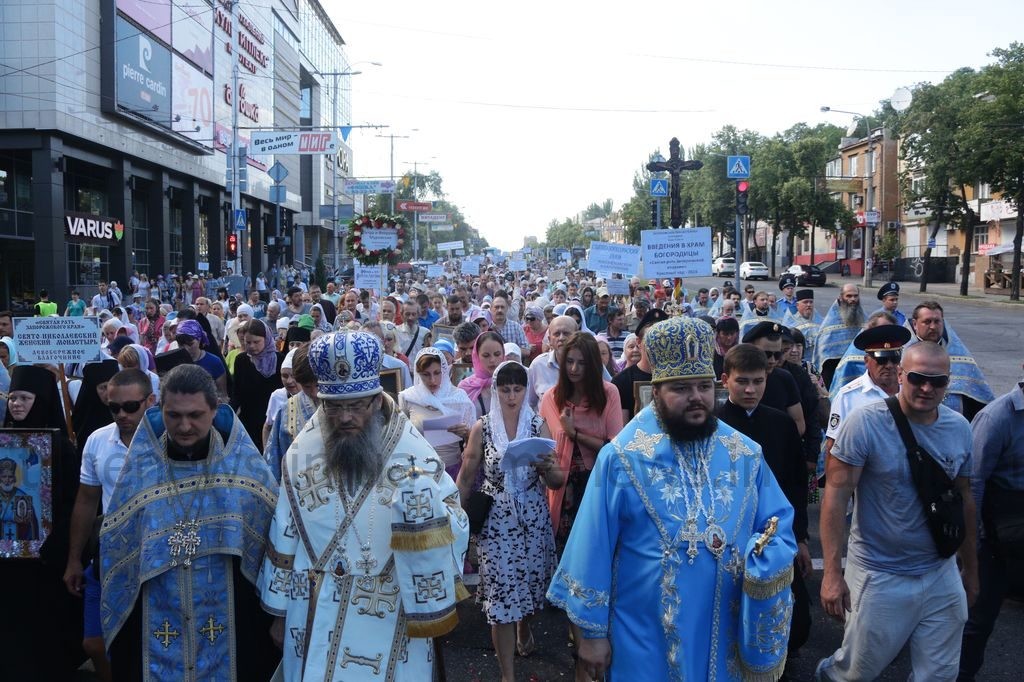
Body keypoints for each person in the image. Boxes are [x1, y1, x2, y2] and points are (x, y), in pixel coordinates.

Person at [548, 316, 797, 681]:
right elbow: (591, 548)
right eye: (681, 388)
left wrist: (766, 558)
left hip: (725, 627)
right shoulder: (621, 458)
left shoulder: (743, 453)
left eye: (703, 386)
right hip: (646, 633)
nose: (697, 397)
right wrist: (592, 636)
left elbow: (776, 522)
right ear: (657, 391)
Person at [258, 331, 469, 680]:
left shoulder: (414, 455)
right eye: (334, 407)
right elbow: (286, 531)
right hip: (316, 605)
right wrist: (279, 613)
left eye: (355, 406)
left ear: (375, 400)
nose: (344, 418)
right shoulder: (301, 455)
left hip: (390, 604)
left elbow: (456, 520)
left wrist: (423, 516)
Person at [99, 365, 279, 680]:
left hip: (232, 615)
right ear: (160, 410)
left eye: (195, 415)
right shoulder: (143, 468)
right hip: (157, 609)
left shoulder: (244, 468)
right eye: (174, 415)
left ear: (215, 410)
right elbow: (118, 546)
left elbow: (270, 541)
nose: (184, 426)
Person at [817, 342, 977, 681]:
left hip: (940, 572)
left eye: (938, 381)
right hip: (880, 573)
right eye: (918, 378)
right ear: (902, 375)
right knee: (856, 672)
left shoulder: (960, 428)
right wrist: (832, 573)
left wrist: (971, 570)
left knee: (940, 674)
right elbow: (836, 494)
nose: (927, 388)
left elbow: (964, 497)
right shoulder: (864, 423)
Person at [457, 361, 563, 682]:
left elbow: (557, 480)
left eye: (518, 389)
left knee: (530, 586)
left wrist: (547, 467)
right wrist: (458, 521)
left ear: (526, 389)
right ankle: (507, 674)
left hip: (532, 516)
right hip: (497, 518)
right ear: (495, 390)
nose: (512, 396)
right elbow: (466, 476)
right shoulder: (483, 427)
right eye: (505, 389)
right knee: (502, 597)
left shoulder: (538, 425)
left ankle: (525, 625)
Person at [716, 344, 811, 663]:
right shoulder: (713, 426)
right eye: (742, 381)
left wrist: (801, 536)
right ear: (725, 379)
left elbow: (796, 484)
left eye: (758, 381)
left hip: (775, 533)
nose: (750, 389)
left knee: (794, 625)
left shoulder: (781, 424)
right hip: (727, 535)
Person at [64, 369, 156, 681]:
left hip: (151, 554)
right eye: (114, 407)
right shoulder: (97, 440)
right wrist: (75, 558)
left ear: (150, 402)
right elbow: (87, 500)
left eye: (131, 407)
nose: (121, 414)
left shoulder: (167, 441)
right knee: (94, 643)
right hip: (107, 554)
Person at [1, 364, 84, 679]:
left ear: (43, 399)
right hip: (8, 560)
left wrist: (55, 543)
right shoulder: (3, 442)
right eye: (12, 398)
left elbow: (72, 502)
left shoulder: (61, 448)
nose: (16, 404)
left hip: (46, 558)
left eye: (24, 398)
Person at [958, 376, 1024, 680]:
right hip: (995, 538)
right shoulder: (997, 416)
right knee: (978, 621)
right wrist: (974, 545)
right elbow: (974, 484)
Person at [540, 332, 623, 554]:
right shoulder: (551, 397)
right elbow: (544, 447)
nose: (574, 369)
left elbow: (617, 449)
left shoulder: (609, 394)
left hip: (597, 484)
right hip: (562, 489)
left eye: (581, 363)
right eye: (569, 361)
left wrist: (575, 434)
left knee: (596, 550)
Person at [824, 324, 912, 460]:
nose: (889, 365)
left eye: (894, 359)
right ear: (866, 361)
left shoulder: (911, 391)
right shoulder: (848, 397)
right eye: (881, 359)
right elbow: (833, 446)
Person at [906, 300, 994, 418]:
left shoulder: (959, 354)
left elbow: (978, 399)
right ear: (915, 324)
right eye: (927, 322)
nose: (933, 327)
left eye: (937, 321)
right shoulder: (902, 353)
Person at [399, 347, 475, 478]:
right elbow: (401, 436)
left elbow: (474, 441)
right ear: (418, 374)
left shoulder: (459, 398)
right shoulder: (408, 397)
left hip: (452, 469)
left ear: (444, 372)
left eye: (437, 373)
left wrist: (466, 434)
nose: (432, 380)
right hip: (420, 471)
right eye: (426, 374)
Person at [741, 321, 806, 436]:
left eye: (777, 355)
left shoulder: (784, 378)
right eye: (766, 354)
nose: (772, 361)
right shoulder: (737, 377)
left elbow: (798, 422)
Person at [263, 344, 317, 482]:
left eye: (317, 384)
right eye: (306, 386)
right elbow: (274, 456)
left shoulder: (343, 405)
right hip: (295, 486)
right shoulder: (287, 409)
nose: (314, 393)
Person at [230, 319, 285, 448]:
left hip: (273, 422)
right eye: (248, 342)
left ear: (266, 339)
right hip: (248, 423)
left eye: (256, 342)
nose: (252, 346)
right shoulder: (241, 361)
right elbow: (236, 393)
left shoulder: (280, 360)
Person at [813, 283, 865, 389]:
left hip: (858, 372)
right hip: (834, 373)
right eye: (849, 296)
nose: (853, 299)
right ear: (841, 298)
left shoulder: (864, 318)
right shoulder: (830, 322)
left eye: (855, 296)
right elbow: (824, 356)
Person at [526, 315, 577, 410]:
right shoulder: (538, 365)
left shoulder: (589, 361)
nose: (561, 338)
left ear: (577, 336)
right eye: (557, 334)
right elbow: (529, 403)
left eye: (566, 333)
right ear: (549, 340)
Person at [459, 330, 506, 417]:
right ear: (477, 356)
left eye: (497, 354)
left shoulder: (513, 382)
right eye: (486, 355)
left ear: (503, 355)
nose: (492, 360)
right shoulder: (466, 387)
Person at [782, 288, 822, 364]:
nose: (809, 305)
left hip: (817, 362)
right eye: (805, 302)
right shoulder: (789, 321)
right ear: (797, 305)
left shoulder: (820, 320)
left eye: (811, 302)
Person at [491, 293, 529, 358]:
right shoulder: (486, 327)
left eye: (502, 307)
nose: (500, 310)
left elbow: (526, 351)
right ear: (491, 309)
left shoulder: (516, 327)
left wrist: (509, 351)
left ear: (507, 308)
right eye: (496, 307)